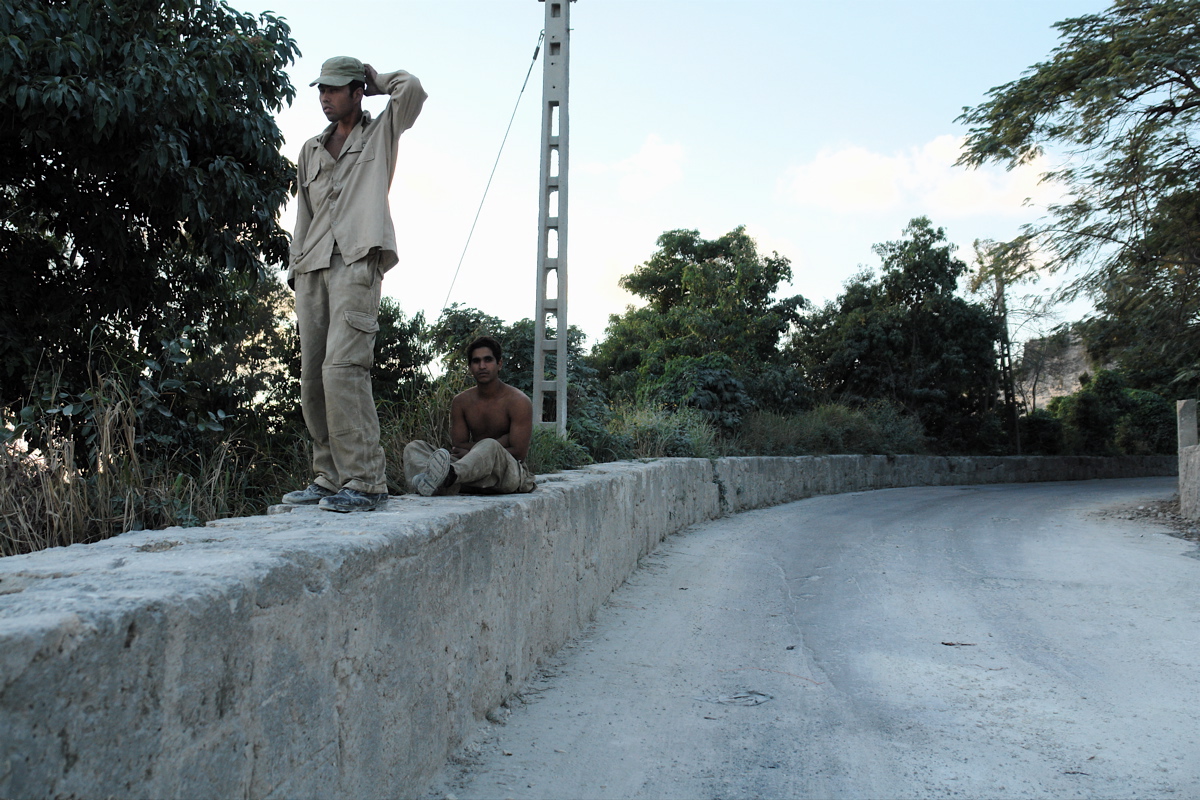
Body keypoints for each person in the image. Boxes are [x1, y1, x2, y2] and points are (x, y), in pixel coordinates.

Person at [281, 56, 426, 512]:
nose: (325, 97)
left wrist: (378, 80)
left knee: (344, 370)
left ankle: (365, 480)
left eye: (335, 88)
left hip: (356, 261)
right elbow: (303, 212)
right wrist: (295, 265)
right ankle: (328, 476)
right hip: (312, 266)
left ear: (356, 90)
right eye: (321, 89)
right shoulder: (310, 149)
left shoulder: (380, 132)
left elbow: (414, 89)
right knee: (312, 377)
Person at [405, 336, 537, 496]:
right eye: (476, 361)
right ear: (469, 367)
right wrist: (501, 441)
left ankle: (447, 477)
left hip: (506, 472)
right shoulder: (461, 401)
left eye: (488, 360)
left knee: (490, 446)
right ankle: (438, 480)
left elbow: (518, 452)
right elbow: (458, 446)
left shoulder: (518, 401)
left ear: (499, 364)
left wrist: (485, 450)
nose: (482, 366)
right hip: (469, 469)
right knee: (414, 448)